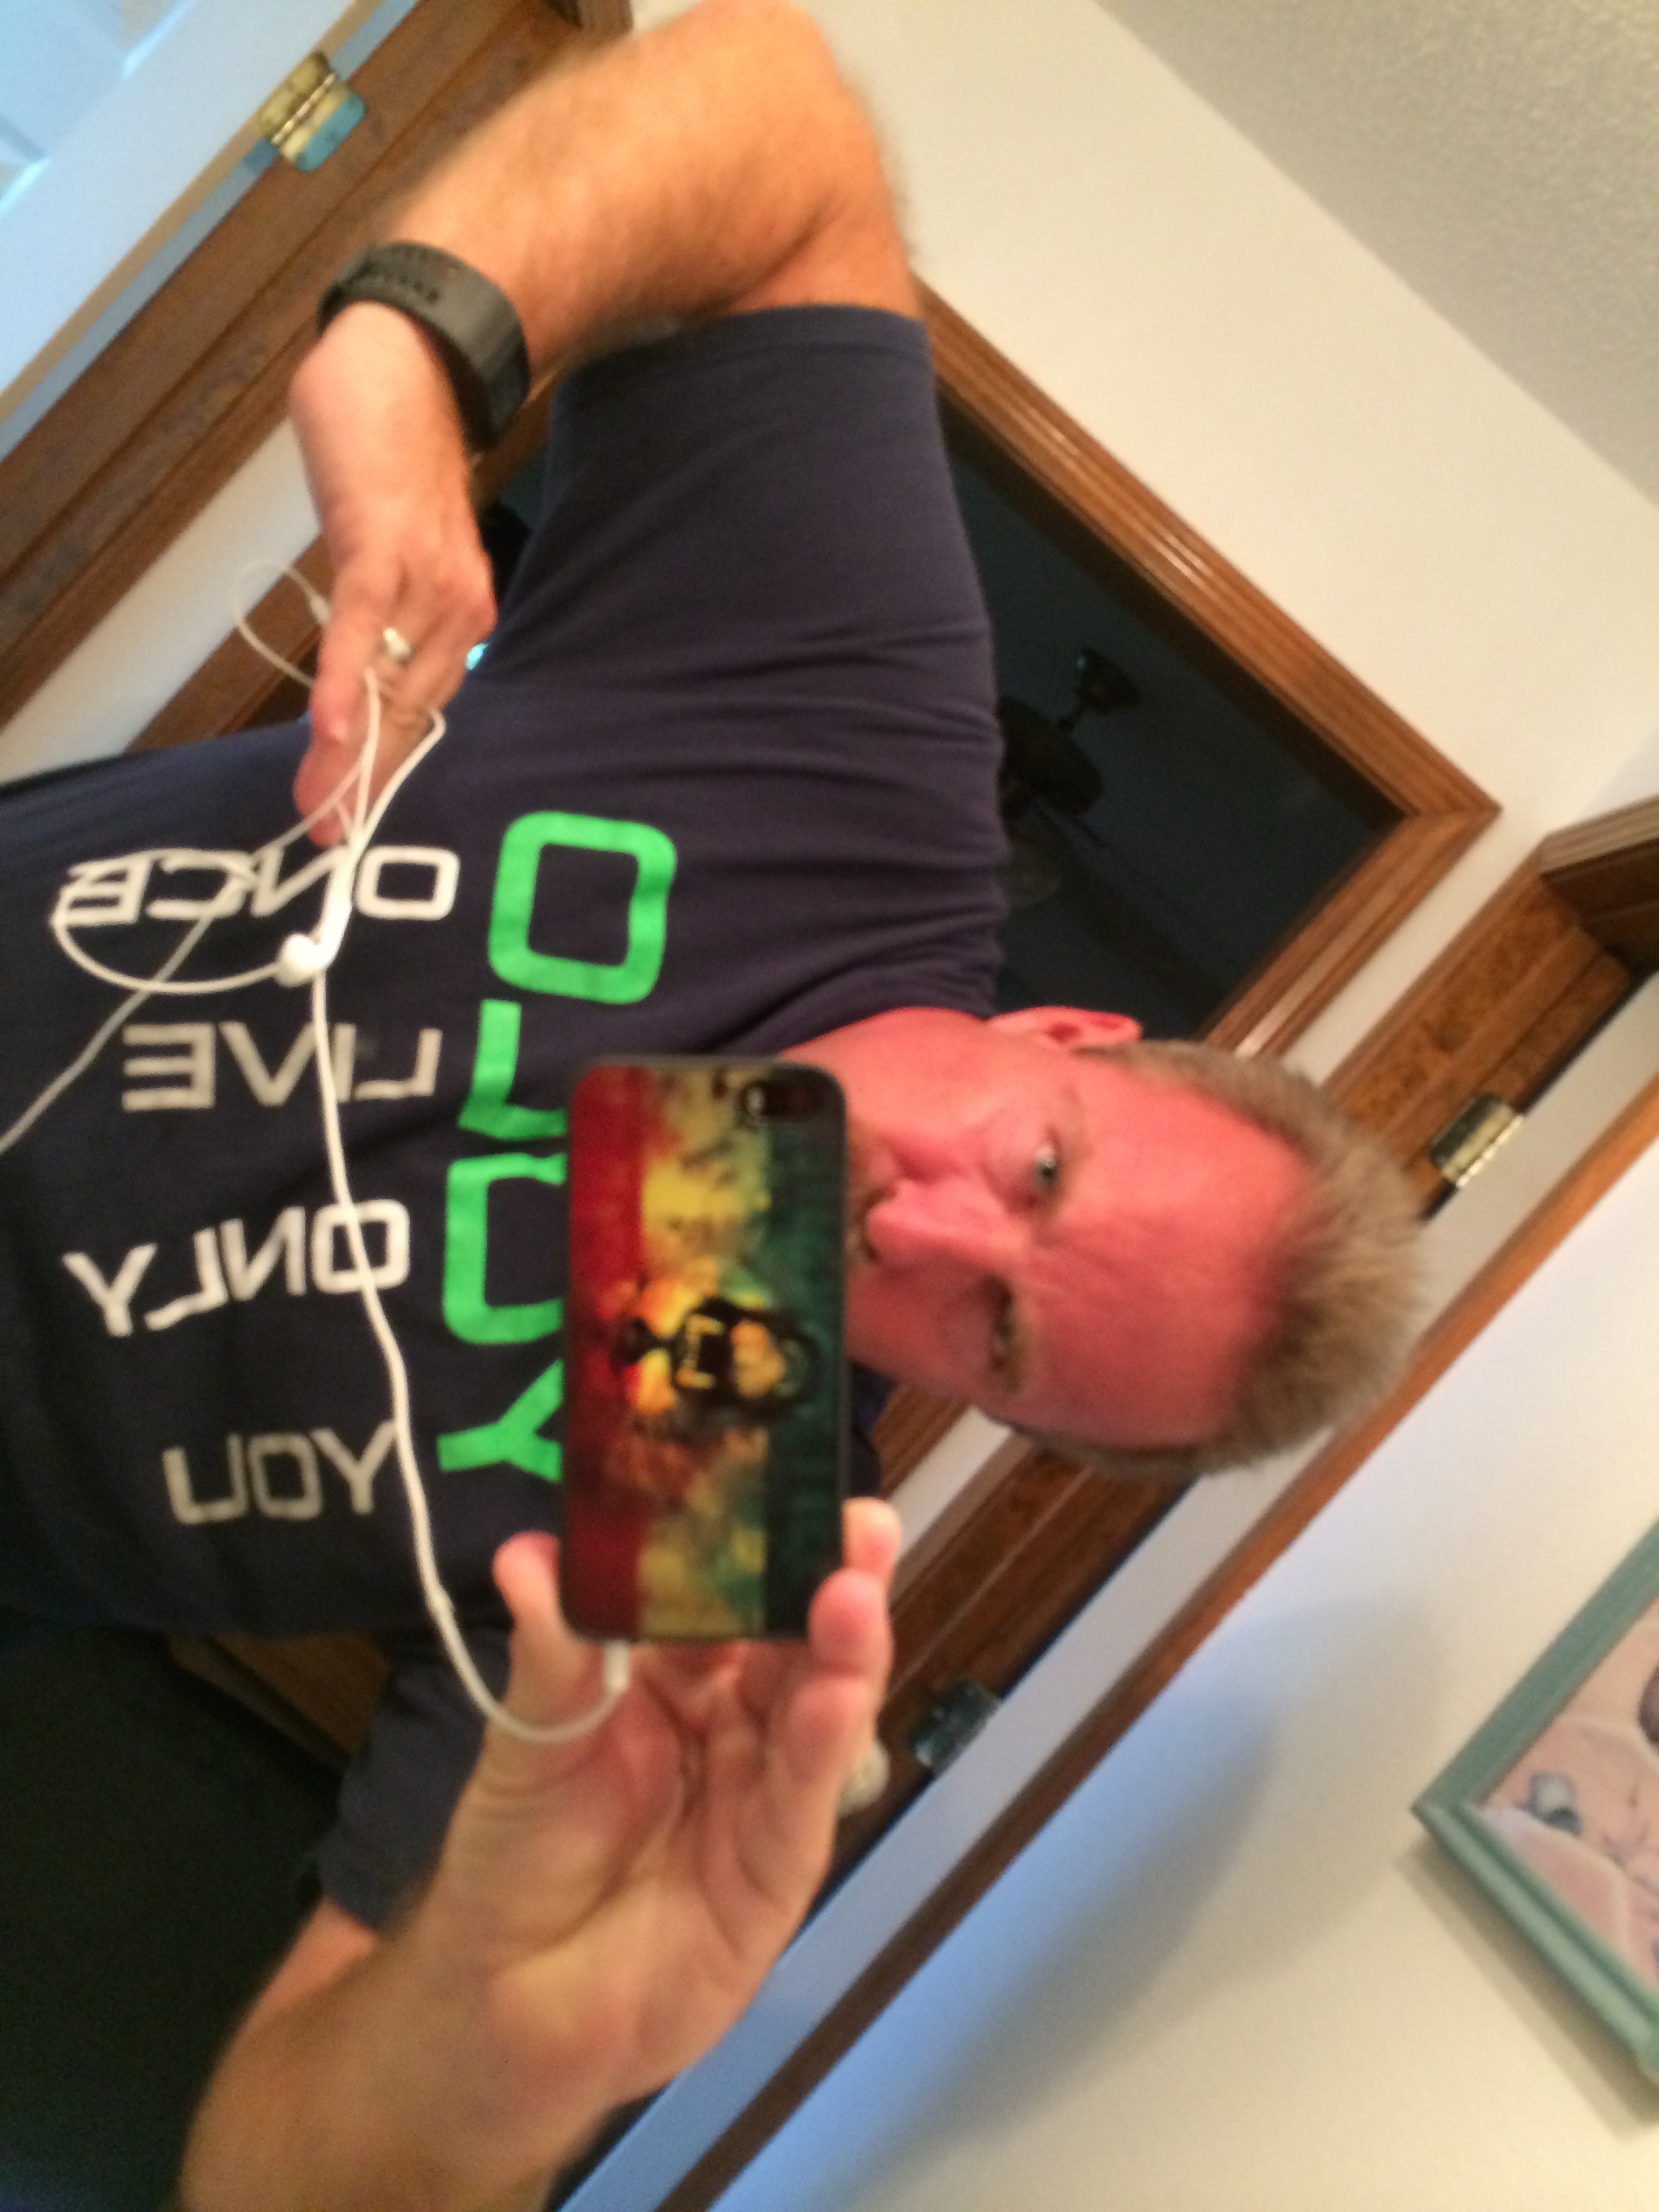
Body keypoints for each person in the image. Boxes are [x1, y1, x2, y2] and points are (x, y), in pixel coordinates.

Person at [0, 4, 1416, 2203]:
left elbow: (273, 2169)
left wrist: (491, 2047)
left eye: (998, 1333)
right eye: (1039, 1176)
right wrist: (410, 362)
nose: (915, 1232)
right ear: (1071, 1041)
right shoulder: (863, 777)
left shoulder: (713, 1467)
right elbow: (782, 120)